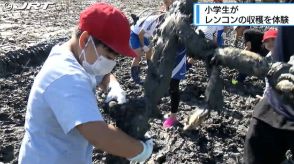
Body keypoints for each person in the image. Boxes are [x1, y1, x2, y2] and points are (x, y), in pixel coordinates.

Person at [18, 3, 153, 164]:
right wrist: (141, 150)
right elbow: (98, 136)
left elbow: (103, 74)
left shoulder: (76, 55)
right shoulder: (66, 76)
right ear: (85, 40)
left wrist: (113, 87)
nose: (111, 63)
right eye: (109, 57)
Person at [244, 26, 294, 164]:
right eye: (268, 41)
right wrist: (266, 97)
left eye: (273, 39)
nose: (270, 43)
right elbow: (268, 81)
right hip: (275, 102)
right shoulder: (268, 58)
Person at [129, 13, 163, 84]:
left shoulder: (162, 24)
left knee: (150, 50)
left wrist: (150, 46)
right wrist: (143, 46)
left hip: (145, 35)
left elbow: (155, 38)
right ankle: (136, 77)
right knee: (138, 55)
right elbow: (140, 34)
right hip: (135, 33)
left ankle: (150, 67)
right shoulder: (151, 21)